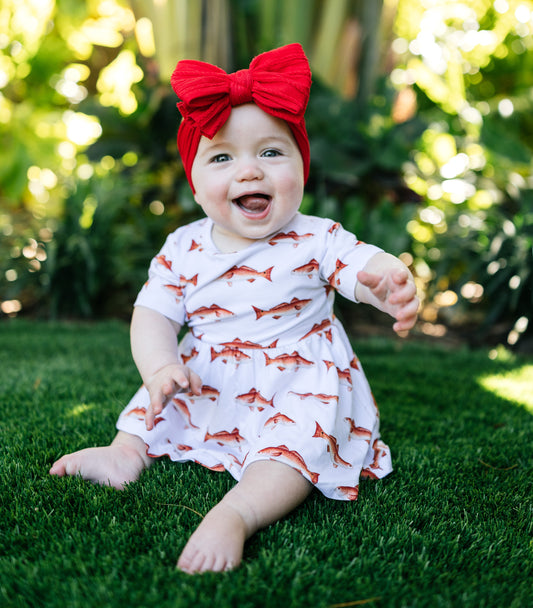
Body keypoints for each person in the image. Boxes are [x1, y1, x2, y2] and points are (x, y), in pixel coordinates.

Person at [50, 43, 419, 574]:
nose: (250, 171)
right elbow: (154, 313)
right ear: (196, 184)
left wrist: (386, 280)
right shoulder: (183, 246)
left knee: (294, 447)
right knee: (157, 406)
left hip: (299, 379)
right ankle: (124, 453)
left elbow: (359, 266)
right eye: (223, 157)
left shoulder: (317, 238)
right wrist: (158, 368)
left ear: (301, 166)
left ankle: (239, 512)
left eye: (271, 152)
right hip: (207, 374)